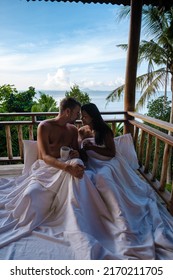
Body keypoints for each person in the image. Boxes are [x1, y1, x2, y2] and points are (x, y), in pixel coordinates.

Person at [37, 97, 85, 179]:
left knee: (78, 163)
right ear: (68, 111)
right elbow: (45, 156)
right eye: (77, 113)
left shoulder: (73, 129)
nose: (79, 117)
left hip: (66, 163)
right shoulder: (45, 126)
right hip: (47, 167)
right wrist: (68, 168)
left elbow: (76, 151)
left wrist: (76, 154)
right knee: (32, 191)